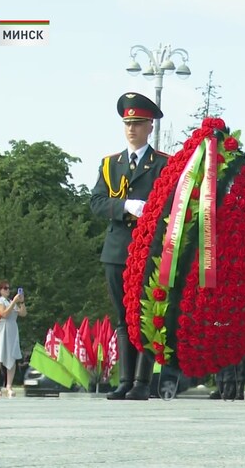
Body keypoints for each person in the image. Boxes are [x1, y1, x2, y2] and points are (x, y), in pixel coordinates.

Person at [91, 92, 169, 401]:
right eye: (128, 123)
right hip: (117, 247)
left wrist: (148, 211)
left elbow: (173, 204)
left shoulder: (163, 164)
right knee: (123, 316)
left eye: (138, 123)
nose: (132, 129)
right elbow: (96, 201)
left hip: (149, 248)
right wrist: (124, 206)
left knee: (146, 313)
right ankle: (125, 380)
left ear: (150, 126)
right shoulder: (111, 164)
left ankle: (142, 381)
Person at [0, 280, 27, 399]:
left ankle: (9, 385)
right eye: (5, 288)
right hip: (1, 329)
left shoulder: (11, 301)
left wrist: (21, 302)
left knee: (12, 356)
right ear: (0, 290)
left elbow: (23, 314)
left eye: (8, 288)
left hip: (12, 330)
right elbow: (4, 314)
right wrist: (14, 302)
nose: (8, 290)